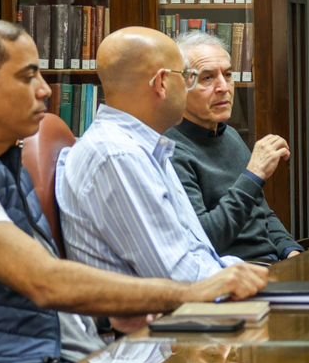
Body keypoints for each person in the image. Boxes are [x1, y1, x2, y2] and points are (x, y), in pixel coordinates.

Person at [0, 21, 266, 363]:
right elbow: (43, 282)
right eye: (27, 76)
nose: (46, 89)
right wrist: (188, 292)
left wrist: (113, 311)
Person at [58, 27, 268, 285]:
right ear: (161, 83)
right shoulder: (118, 155)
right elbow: (180, 278)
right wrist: (253, 277)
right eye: (188, 76)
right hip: (180, 306)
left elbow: (196, 249)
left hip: (201, 292)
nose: (189, 86)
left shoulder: (146, 147)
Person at [166, 30, 303, 262]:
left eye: (228, 75)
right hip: (232, 272)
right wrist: (254, 175)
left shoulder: (229, 135)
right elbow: (205, 239)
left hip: (273, 265)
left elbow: (261, 213)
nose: (224, 87)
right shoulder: (171, 150)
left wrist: (290, 250)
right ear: (178, 86)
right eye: (207, 78)